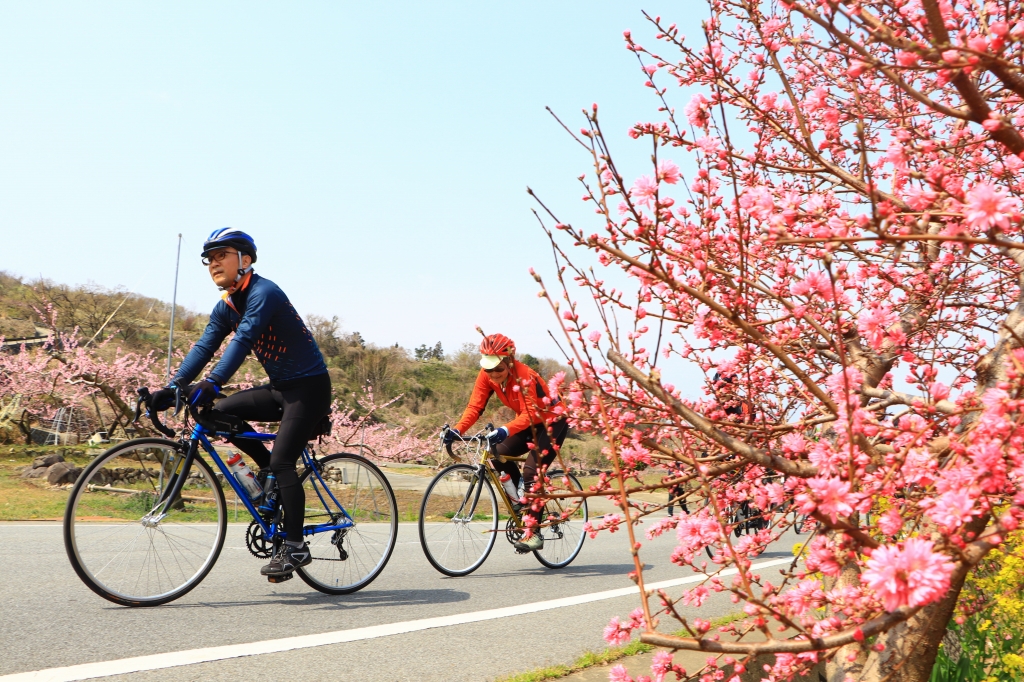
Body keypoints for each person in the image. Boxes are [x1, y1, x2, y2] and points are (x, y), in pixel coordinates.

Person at [148, 228, 332, 577]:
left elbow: (244, 340)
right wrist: (172, 388)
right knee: (219, 412)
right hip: (280, 387)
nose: (214, 263)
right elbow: (204, 347)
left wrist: (214, 381)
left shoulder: (265, 292)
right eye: (209, 258)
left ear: (245, 260)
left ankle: (295, 546)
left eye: (222, 255)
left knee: (282, 462)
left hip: (309, 389)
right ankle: (267, 476)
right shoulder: (227, 306)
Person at [444, 333, 566, 551]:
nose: (493, 374)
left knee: (531, 471)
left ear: (510, 361)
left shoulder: (525, 375)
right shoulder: (486, 375)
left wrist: (505, 429)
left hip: (552, 422)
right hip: (528, 422)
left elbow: (530, 413)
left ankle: (534, 531)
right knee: (497, 452)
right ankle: (522, 502)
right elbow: (475, 407)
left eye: (498, 369)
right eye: (488, 368)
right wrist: (457, 430)